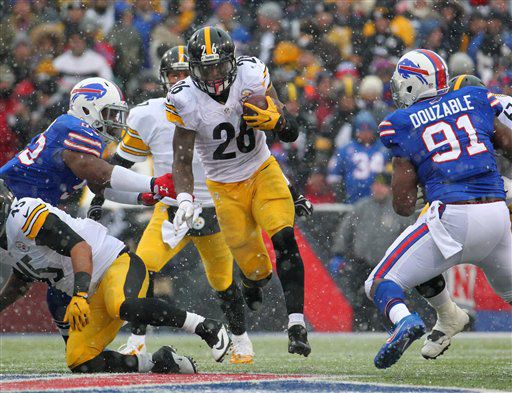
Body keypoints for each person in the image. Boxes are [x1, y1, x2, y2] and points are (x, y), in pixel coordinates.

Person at [88, 46, 254, 364]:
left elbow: (246, 156)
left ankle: (240, 337)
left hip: (212, 207)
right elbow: (118, 166)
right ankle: (136, 341)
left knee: (223, 281)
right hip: (170, 210)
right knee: (142, 268)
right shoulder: (147, 114)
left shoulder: (220, 107)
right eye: (173, 75)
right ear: (164, 79)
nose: (179, 80)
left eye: (184, 74)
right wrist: (99, 196)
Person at [364, 49, 512, 369]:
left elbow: (402, 205)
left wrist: (420, 182)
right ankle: (448, 316)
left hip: (453, 218)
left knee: (380, 282)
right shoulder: (474, 97)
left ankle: (403, 321)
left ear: (410, 86)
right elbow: (509, 144)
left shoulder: (402, 123)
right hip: (497, 213)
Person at [167, 26, 310, 356]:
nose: (215, 73)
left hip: (262, 170)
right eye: (207, 67)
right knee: (255, 270)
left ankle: (296, 324)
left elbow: (290, 131)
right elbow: (182, 157)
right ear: (193, 68)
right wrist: (185, 197)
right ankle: (252, 282)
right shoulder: (184, 97)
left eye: (220, 65)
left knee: (284, 238)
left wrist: (277, 121)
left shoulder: (251, 74)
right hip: (223, 186)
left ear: (231, 61)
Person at [0, 77, 177, 340]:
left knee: (44, 277)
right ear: (87, 108)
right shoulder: (74, 127)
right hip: (10, 208)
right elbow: (99, 172)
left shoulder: (70, 133)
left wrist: (142, 197)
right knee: (57, 276)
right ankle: (74, 341)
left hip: (19, 218)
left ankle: (73, 343)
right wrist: (154, 183)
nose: (114, 120)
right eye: (109, 112)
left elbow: (99, 186)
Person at [0, 182, 231, 373]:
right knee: (79, 359)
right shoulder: (6, 243)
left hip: (116, 263)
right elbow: (21, 279)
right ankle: (159, 361)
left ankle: (205, 326)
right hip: (92, 291)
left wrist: (79, 294)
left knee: (122, 304)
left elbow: (80, 247)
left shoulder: (23, 215)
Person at [416, 74, 512, 361]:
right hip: (482, 189)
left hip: (496, 189)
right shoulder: (451, 118)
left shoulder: (503, 110)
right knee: (422, 236)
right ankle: (447, 315)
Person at [327, 110, 390, 204]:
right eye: (362, 130)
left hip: (379, 201)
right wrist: (341, 194)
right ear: (356, 131)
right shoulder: (346, 149)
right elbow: (334, 175)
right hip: (352, 201)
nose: (365, 133)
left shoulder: (384, 148)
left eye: (368, 130)